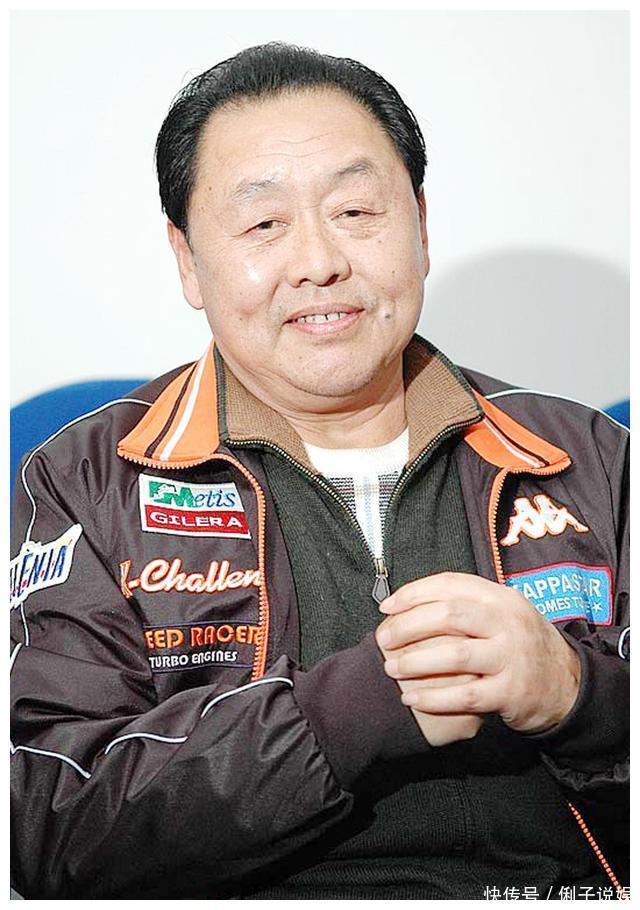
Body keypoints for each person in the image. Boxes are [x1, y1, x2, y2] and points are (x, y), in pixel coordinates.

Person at [10, 42, 629, 900]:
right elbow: (44, 821)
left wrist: (579, 695)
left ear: (420, 223)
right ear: (188, 259)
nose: (318, 262)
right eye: (264, 224)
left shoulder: (586, 455)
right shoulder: (88, 477)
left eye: (356, 210)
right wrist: (351, 711)